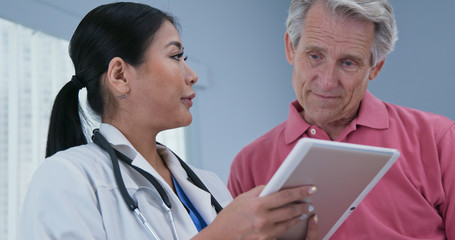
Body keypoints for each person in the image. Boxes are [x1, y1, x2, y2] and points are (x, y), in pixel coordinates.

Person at [18, 2, 319, 240]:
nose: (192, 75)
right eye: (176, 56)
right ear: (120, 76)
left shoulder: (208, 185)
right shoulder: (68, 178)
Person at [228, 0, 455, 239]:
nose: (327, 81)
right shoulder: (249, 165)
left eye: (348, 63)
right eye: (315, 56)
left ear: (375, 67)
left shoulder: (439, 140)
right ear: (290, 48)